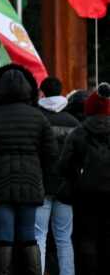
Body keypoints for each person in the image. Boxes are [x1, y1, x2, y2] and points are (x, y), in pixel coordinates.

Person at [0, 64, 56, 274]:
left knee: (3, 234)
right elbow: (51, 152)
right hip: (29, 180)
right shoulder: (39, 117)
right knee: (29, 234)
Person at [58, 83, 110, 274]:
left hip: (84, 195)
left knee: (85, 239)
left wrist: (76, 176)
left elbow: (63, 165)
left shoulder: (78, 133)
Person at [34, 76, 78, 275]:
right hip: (66, 187)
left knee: (39, 236)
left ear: (42, 93)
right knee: (64, 238)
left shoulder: (36, 119)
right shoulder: (73, 122)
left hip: (42, 185)